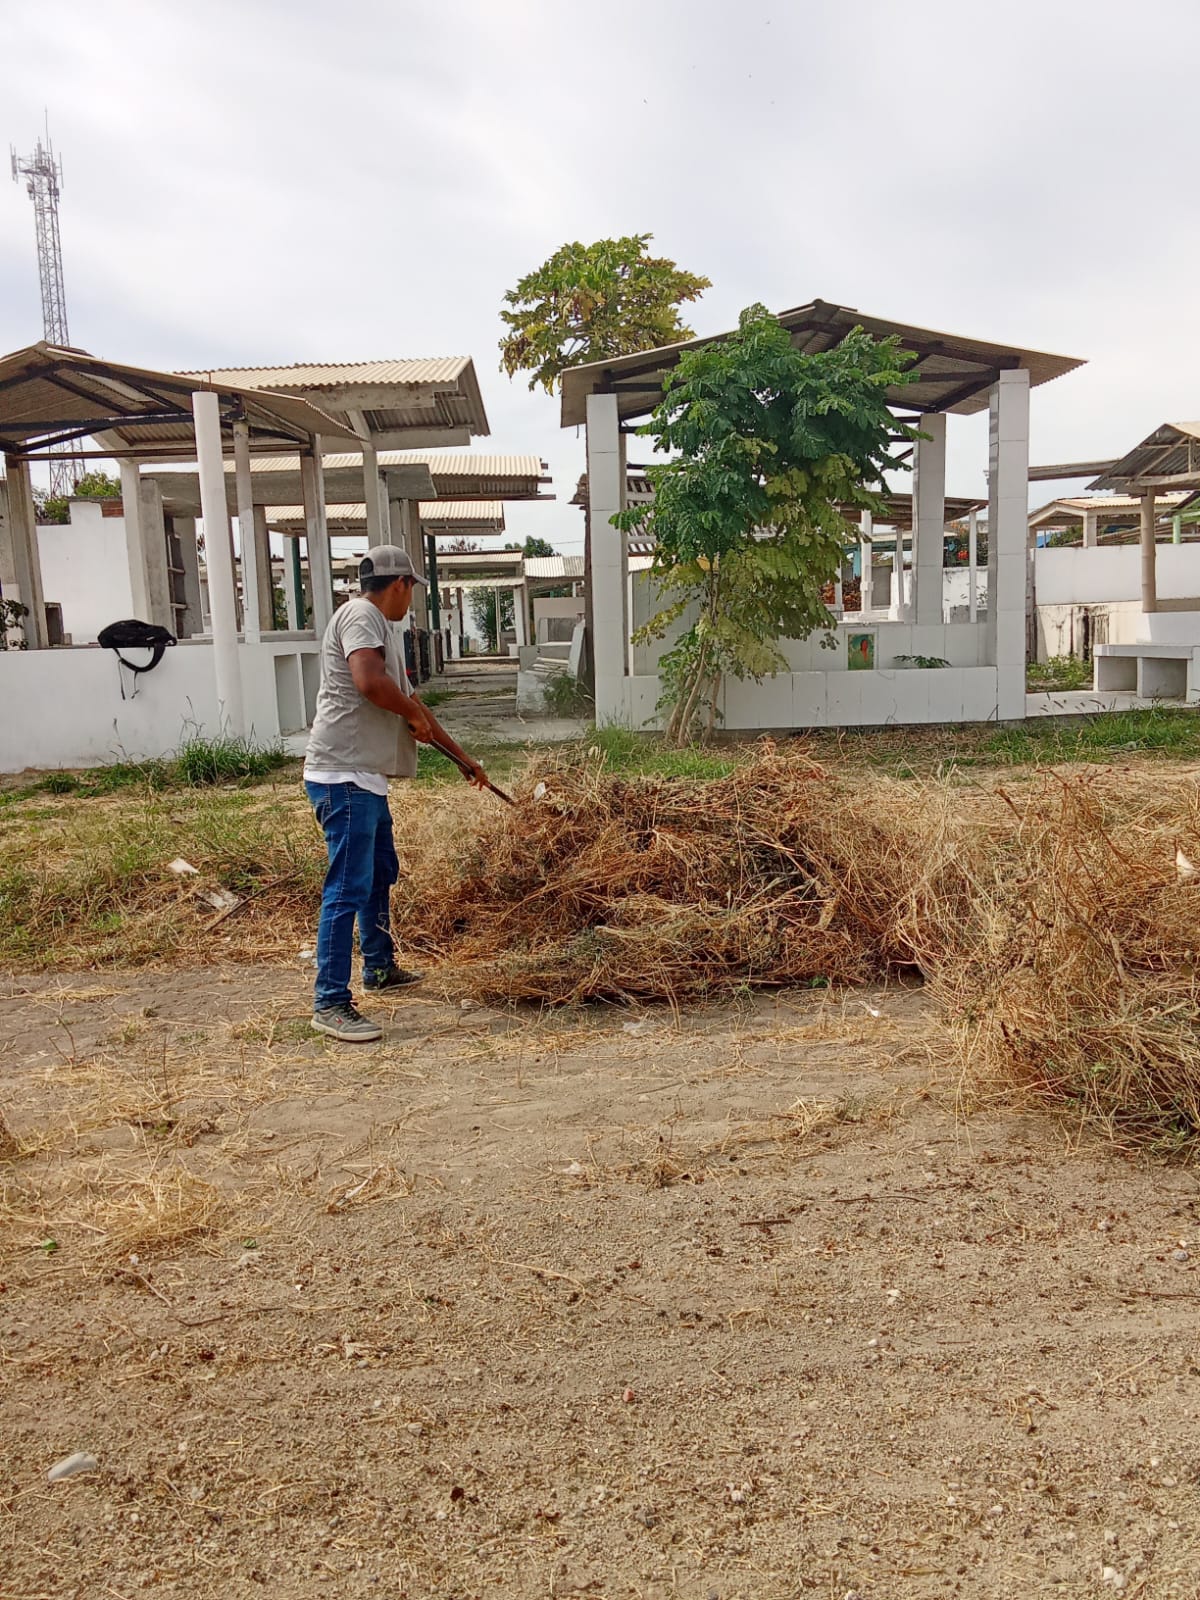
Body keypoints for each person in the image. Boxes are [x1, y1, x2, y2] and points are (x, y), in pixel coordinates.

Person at [303, 544, 489, 1041]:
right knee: (347, 886)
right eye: (412, 589)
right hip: (341, 775)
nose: (412, 599)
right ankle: (330, 1002)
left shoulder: (383, 629)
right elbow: (369, 682)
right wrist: (408, 713)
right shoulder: (361, 615)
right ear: (402, 584)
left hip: (364, 776)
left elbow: (413, 705)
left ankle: (379, 967)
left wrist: (464, 759)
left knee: (380, 872)